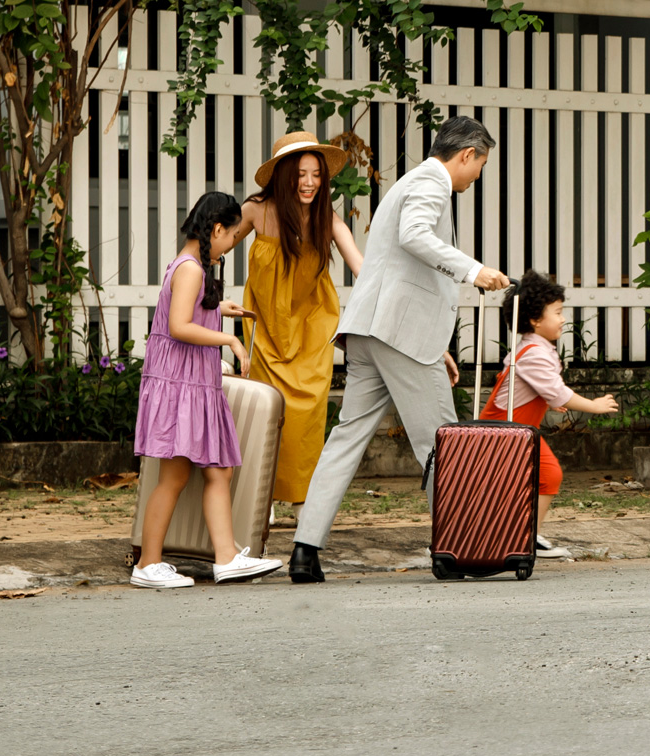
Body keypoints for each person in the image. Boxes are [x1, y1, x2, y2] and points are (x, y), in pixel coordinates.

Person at [288, 116, 511, 583]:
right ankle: (456, 549)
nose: (478, 175)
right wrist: (475, 271)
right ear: (467, 154)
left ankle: (305, 551)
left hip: (372, 331)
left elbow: (398, 264)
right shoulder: (432, 183)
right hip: (400, 335)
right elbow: (414, 236)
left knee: (346, 438)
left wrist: (433, 344)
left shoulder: (410, 182)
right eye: (481, 164)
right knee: (443, 443)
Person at [131, 192, 287, 588]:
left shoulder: (191, 266)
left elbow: (189, 312)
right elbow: (179, 326)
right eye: (232, 236)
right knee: (175, 478)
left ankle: (226, 558)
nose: (231, 244)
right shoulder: (190, 269)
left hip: (193, 384)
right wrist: (230, 340)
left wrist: (219, 309)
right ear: (217, 229)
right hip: (181, 385)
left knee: (219, 469)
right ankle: (147, 564)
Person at [235, 132, 363, 527]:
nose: (309, 183)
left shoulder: (328, 219)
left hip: (312, 326)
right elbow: (216, 245)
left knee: (307, 415)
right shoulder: (256, 210)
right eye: (301, 174)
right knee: (266, 410)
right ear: (284, 175)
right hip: (266, 326)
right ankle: (262, 493)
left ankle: (303, 498)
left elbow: (363, 269)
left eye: (316, 175)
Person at [488, 271, 620, 560]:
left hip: (514, 430)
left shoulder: (532, 347)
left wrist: (546, 402)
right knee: (544, 476)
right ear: (535, 319)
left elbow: (532, 389)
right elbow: (558, 392)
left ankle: (521, 535)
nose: (563, 319)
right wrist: (594, 405)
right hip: (506, 431)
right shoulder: (534, 352)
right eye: (557, 312)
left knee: (540, 477)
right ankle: (521, 538)